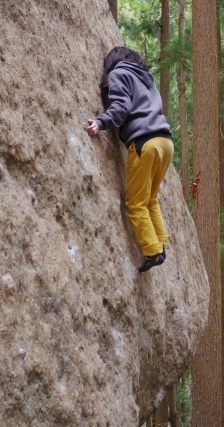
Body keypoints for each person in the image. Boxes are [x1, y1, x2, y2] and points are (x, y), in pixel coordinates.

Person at [86, 46, 173, 273]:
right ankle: (160, 242)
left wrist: (101, 122)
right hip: (165, 142)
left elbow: (121, 106)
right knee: (150, 199)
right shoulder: (147, 81)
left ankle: (153, 250)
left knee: (135, 204)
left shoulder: (118, 74)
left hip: (145, 143)